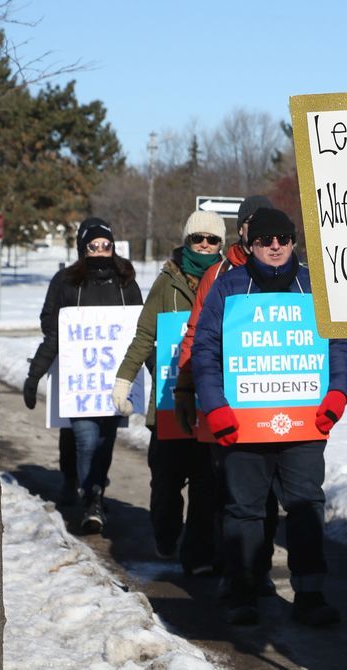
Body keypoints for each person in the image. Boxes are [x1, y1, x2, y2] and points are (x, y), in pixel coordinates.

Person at [191, 206, 347, 627]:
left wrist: (337, 394)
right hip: (242, 425)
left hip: (304, 424)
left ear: (294, 242)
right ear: (250, 244)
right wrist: (216, 408)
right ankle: (240, 588)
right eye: (265, 240)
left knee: (305, 504)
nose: (276, 247)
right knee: (243, 509)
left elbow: (336, 349)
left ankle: (310, 592)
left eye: (283, 239)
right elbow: (205, 353)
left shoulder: (313, 289)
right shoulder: (228, 288)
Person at [174, 194, 281, 593]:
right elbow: (195, 334)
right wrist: (187, 389)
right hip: (226, 399)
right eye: (252, 222)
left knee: (265, 493)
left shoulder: (286, 271)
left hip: (272, 399)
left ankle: (259, 568)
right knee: (221, 487)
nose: (261, 230)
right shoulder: (217, 276)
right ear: (242, 228)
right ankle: (215, 560)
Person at [111, 209, 226, 574]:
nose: (205, 245)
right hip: (168, 402)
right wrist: (124, 378)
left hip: (210, 401)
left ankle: (197, 555)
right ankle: (166, 534)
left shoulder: (230, 279)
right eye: (198, 238)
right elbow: (145, 334)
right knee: (166, 481)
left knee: (206, 484)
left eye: (212, 239)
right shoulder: (167, 281)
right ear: (186, 240)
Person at [23, 218, 143, 534]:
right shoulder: (65, 281)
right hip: (79, 378)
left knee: (105, 441)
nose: (101, 251)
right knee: (84, 438)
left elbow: (139, 329)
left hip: (116, 380)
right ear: (83, 248)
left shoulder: (125, 281)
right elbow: (51, 325)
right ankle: (88, 496)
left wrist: (156, 375)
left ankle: (92, 491)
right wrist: (35, 374)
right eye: (94, 246)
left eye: (107, 246)